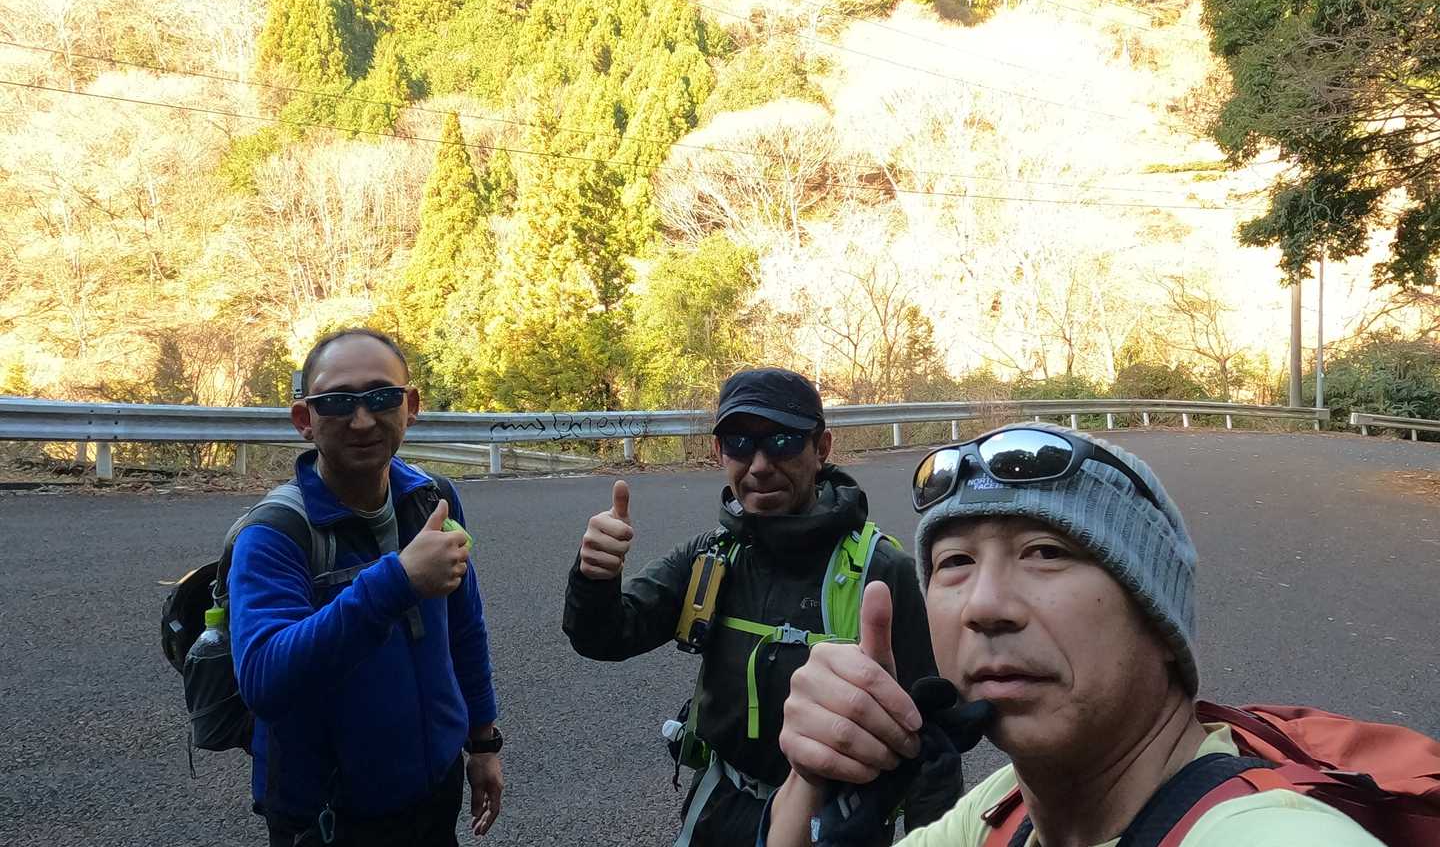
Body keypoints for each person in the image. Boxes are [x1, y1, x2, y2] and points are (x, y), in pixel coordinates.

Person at [764, 424, 1385, 847]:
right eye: (955, 562)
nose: (984, 606)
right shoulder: (1005, 811)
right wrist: (811, 785)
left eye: (1046, 552)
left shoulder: (1269, 833)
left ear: (1158, 620)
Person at [564, 367, 962, 846]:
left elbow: (932, 745)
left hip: (835, 825)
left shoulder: (881, 572)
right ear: (719, 451)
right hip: (716, 811)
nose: (759, 465)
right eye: (739, 443)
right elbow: (605, 637)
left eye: (782, 441)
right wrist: (594, 577)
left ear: (821, 448)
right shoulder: (711, 557)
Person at [228, 328, 504, 846]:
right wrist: (396, 581)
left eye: (382, 397)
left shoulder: (432, 499)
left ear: (410, 406)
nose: (361, 420)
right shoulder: (275, 533)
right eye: (337, 402)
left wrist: (484, 742)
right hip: (329, 814)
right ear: (304, 420)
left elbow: (464, 627)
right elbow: (263, 678)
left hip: (434, 791)